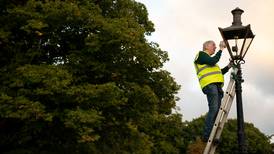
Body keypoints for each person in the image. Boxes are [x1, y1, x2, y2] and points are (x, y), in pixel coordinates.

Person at [194, 40, 232, 142]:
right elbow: (212, 61)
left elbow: (219, 72)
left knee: (217, 112)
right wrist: (221, 49)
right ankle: (207, 136)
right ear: (206, 46)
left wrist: (228, 66)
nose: (215, 47)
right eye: (213, 45)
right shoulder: (201, 55)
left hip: (216, 86)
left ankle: (212, 136)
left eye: (216, 46)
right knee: (214, 109)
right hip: (210, 85)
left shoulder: (210, 61)